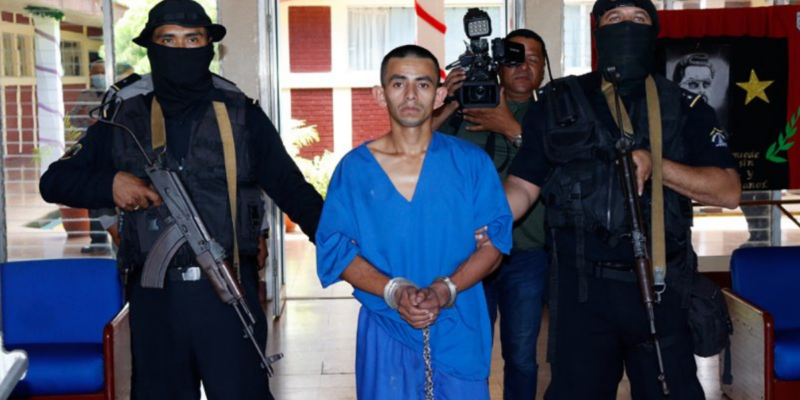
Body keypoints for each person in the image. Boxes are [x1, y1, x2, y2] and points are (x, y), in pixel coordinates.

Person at [39, 1, 323, 399]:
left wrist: (346, 246)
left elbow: (293, 190)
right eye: (168, 40)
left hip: (228, 292)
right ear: (151, 48)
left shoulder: (242, 116)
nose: (181, 49)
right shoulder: (124, 118)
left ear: (209, 47)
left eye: (192, 40)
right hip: (154, 301)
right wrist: (110, 184)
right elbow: (54, 182)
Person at [502, 0, 741, 399]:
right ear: (597, 31)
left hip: (662, 288)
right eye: (614, 18)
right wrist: (477, 222)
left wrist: (657, 164)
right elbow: (523, 188)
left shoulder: (685, 106)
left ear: (653, 32)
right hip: (582, 293)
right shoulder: (559, 103)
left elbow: (728, 191)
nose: (626, 26)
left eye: (638, 18)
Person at [315, 45, 513, 400]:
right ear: (380, 94)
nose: (410, 95)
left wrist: (445, 289)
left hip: (458, 325)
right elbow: (335, 249)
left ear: (439, 95)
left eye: (422, 84)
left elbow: (495, 243)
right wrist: (394, 290)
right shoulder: (355, 170)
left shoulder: (470, 163)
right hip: (386, 326)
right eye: (398, 83)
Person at [433, 28, 549, 400]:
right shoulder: (467, 106)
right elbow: (414, 147)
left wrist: (510, 127)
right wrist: (447, 101)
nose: (524, 67)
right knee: (470, 351)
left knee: (521, 356)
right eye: (514, 59)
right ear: (498, 65)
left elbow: (557, 169)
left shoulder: (551, 112)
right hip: (468, 254)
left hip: (526, 253)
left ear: (544, 68)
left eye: (534, 59)